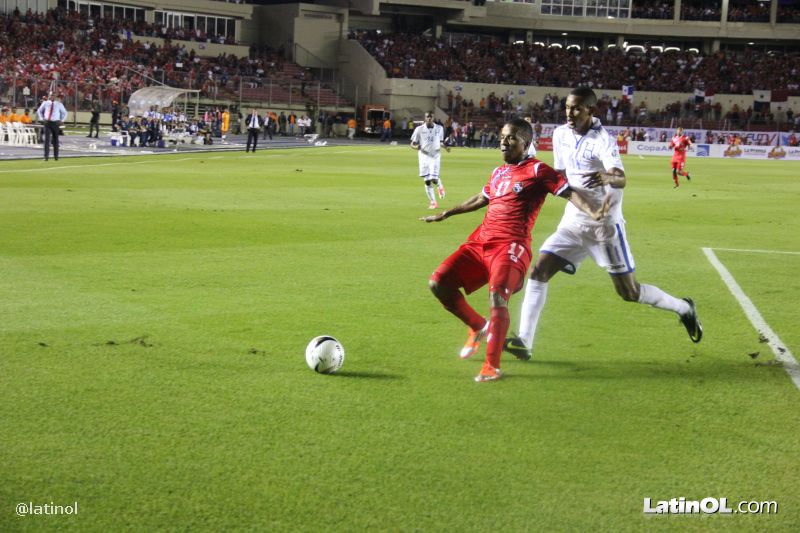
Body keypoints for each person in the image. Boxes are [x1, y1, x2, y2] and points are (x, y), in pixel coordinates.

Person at [504, 87, 703, 361]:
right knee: (539, 272)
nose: (570, 112)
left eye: (576, 108)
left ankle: (684, 308)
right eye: (567, 107)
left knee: (629, 292)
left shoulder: (603, 140)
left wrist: (607, 177)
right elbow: (561, 173)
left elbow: (621, 178)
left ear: (591, 110)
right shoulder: (561, 134)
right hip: (573, 220)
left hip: (604, 226)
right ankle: (524, 341)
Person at [421, 118, 605, 382]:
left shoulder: (538, 170)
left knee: (497, 297)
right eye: (502, 138)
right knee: (438, 283)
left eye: (511, 138)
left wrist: (594, 211)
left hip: (511, 247)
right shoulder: (499, 172)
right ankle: (478, 326)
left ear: (526, 143)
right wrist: (447, 213)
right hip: (479, 243)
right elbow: (480, 198)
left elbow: (568, 192)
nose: (503, 143)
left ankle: (491, 366)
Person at [410, 112, 450, 209]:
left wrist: (446, 147)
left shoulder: (439, 128)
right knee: (427, 181)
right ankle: (433, 202)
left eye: (431, 117)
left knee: (433, 179)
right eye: (427, 117)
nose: (429, 118)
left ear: (433, 118)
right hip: (423, 157)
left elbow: (440, 142)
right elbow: (412, 144)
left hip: (435, 156)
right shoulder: (419, 129)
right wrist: (418, 147)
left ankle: (439, 184)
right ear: (425, 118)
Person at [36, 93, 67, 161]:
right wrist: (41, 118)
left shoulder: (59, 104)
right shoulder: (45, 103)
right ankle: (46, 157)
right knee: (47, 140)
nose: (52, 96)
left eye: (53, 95)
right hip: (47, 122)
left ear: (55, 96)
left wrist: (62, 120)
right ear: (49, 96)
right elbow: (39, 110)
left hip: (55, 123)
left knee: (55, 140)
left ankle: (56, 157)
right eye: (51, 95)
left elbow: (65, 113)